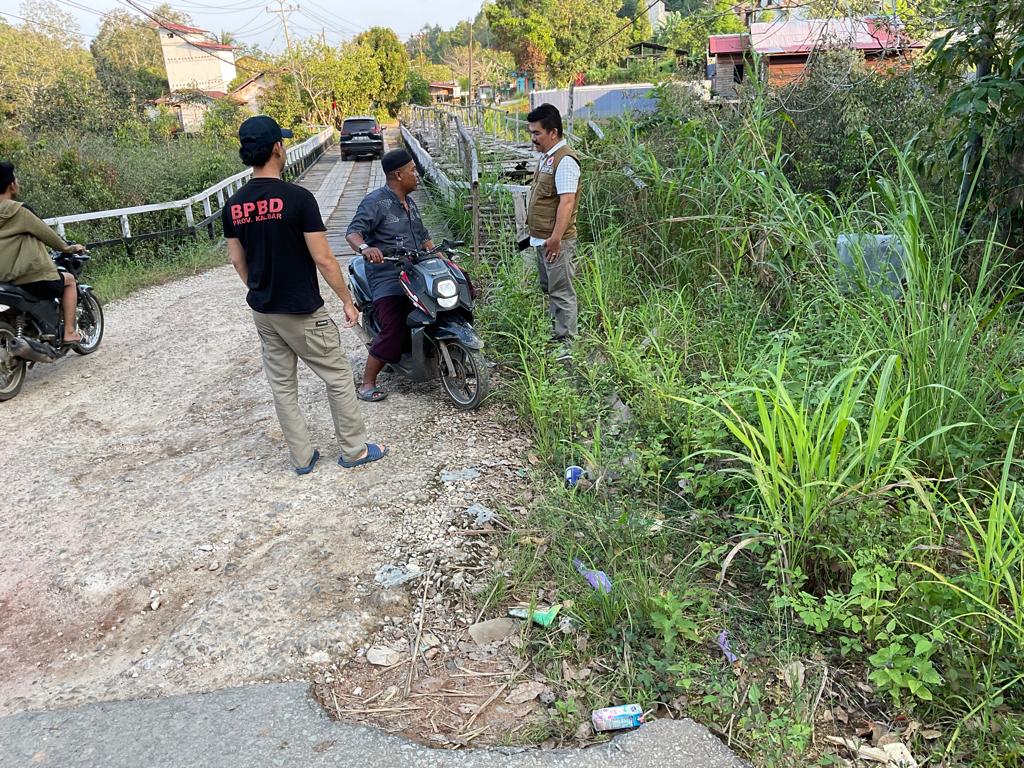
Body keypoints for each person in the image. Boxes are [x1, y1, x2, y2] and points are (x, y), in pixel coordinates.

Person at [223, 115, 387, 474]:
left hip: (265, 312)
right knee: (338, 376)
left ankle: (301, 458)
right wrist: (346, 300)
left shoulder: (233, 205)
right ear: (277, 149)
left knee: (283, 387)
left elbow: (237, 260)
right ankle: (354, 450)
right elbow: (324, 259)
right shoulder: (297, 198)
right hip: (301, 310)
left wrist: (260, 288)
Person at [345, 149, 434, 403]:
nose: (417, 175)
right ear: (398, 174)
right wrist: (365, 248)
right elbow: (353, 232)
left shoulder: (410, 203)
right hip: (388, 275)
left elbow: (424, 237)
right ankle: (367, 382)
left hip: (416, 272)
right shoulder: (375, 201)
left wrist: (440, 257)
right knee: (395, 325)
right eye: (412, 170)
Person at [0, 161, 86, 343]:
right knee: (69, 281)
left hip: (3, 280)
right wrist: (69, 248)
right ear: (11, 184)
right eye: (16, 178)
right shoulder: (20, 211)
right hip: (28, 276)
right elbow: (48, 235)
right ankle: (70, 332)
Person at [525, 103, 581, 353]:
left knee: (561, 292)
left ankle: (567, 347)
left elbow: (567, 202)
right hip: (543, 239)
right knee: (550, 289)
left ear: (553, 132)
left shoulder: (565, 160)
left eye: (537, 133)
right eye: (532, 132)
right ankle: (557, 336)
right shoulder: (547, 157)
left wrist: (556, 238)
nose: (533, 138)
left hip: (555, 241)